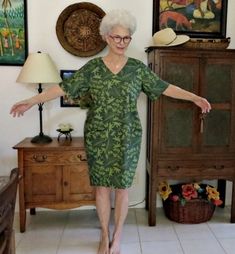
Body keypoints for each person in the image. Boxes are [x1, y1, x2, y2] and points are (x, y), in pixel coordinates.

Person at [10, 9, 211, 254]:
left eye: (126, 38)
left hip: (128, 137)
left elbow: (165, 87)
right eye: (116, 37)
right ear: (106, 37)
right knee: (102, 188)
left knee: (122, 189)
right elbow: (62, 89)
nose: (121, 43)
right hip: (98, 136)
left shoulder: (137, 69)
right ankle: (105, 234)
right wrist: (31, 101)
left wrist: (194, 97)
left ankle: (118, 236)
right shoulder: (93, 68)